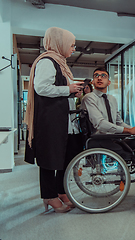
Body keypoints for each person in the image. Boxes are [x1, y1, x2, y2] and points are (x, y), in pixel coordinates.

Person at [24, 27, 84, 213]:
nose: (73, 48)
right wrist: (68, 89)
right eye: (71, 45)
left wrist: (73, 90)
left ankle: (60, 190)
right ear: (61, 43)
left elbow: (58, 88)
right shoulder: (47, 62)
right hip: (50, 121)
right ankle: (49, 196)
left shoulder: (60, 63)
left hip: (62, 120)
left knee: (66, 155)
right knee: (49, 159)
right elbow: (41, 88)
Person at [81, 67, 135, 191]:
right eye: (96, 75)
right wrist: (129, 131)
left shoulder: (112, 99)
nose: (99, 77)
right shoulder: (89, 98)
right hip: (102, 140)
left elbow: (119, 122)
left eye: (103, 75)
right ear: (93, 81)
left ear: (109, 82)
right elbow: (100, 124)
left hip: (116, 139)